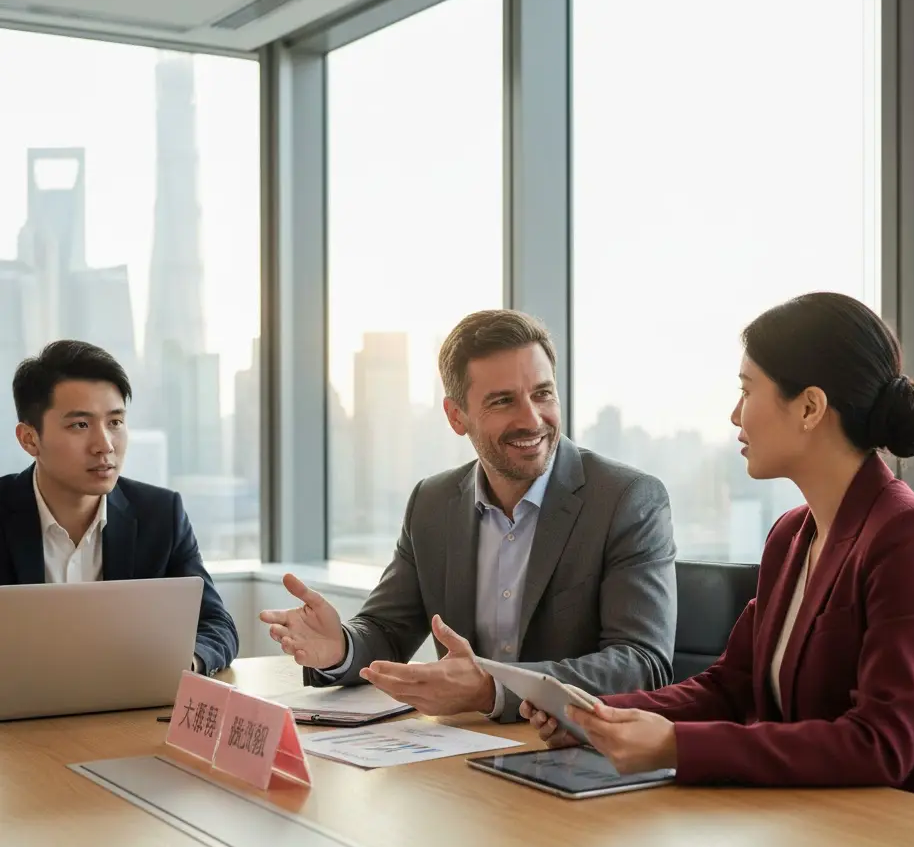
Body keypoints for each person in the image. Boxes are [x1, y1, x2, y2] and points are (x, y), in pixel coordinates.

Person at [524, 292, 914, 814]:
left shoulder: (912, 539)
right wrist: (596, 713)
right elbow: (732, 687)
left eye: (747, 390)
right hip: (822, 826)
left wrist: (676, 746)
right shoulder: (792, 535)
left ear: (809, 407)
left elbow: (881, 744)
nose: (735, 414)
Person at [260, 309, 677, 721]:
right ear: (456, 416)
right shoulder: (432, 503)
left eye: (542, 394)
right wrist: (341, 648)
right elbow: (387, 630)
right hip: (461, 753)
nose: (531, 419)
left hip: (577, 756)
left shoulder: (626, 500)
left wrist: (493, 689)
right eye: (503, 401)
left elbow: (642, 665)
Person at [0, 340, 238, 676]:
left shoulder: (160, 515)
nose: (105, 445)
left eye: (115, 422)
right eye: (80, 425)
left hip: (128, 718)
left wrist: (182, 665)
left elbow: (216, 625)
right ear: (29, 439)